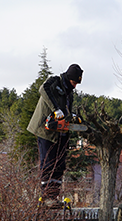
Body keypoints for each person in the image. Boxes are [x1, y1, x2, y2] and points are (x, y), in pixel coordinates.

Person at [26, 64, 82, 207]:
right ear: (69, 78)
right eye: (74, 82)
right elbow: (42, 89)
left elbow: (66, 110)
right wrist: (56, 109)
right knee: (48, 163)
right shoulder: (53, 82)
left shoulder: (70, 93)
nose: (75, 86)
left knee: (59, 164)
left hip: (60, 132)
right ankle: (46, 195)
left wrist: (71, 116)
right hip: (45, 130)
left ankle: (54, 195)